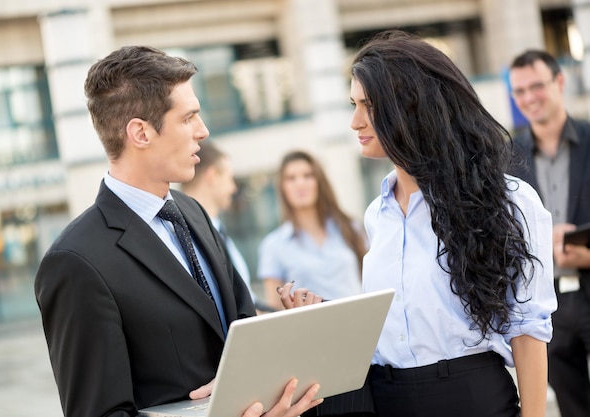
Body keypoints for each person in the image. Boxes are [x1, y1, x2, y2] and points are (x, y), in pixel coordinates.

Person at [280, 30, 557, 417]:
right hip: (387, 399)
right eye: (353, 104)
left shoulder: (507, 201)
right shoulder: (378, 215)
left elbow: (527, 329)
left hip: (471, 400)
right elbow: (396, 329)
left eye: (368, 105)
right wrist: (322, 317)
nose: (355, 122)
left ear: (410, 107)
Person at [34, 45, 322, 417]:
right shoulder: (76, 262)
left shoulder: (192, 212)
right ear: (140, 132)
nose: (202, 131)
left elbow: (242, 335)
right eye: (188, 118)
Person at [508, 49, 590, 417]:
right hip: (546, 307)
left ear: (559, 82)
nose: (528, 98)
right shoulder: (507, 157)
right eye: (519, 91)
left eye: (536, 86)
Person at [257, 150, 368, 310]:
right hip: (312, 331)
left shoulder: (350, 228)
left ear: (319, 182)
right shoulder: (273, 245)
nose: (300, 183)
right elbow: (273, 311)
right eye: (291, 178)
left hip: (361, 324)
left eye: (308, 175)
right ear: (282, 188)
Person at [180, 141, 274, 313]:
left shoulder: (219, 231)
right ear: (212, 175)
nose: (233, 188)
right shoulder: (184, 238)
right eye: (229, 179)